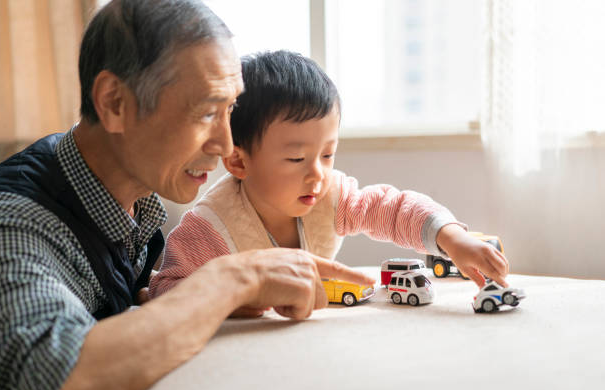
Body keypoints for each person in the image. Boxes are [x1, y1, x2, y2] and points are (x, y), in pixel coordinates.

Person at [0, 2, 375, 390]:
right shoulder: (14, 224)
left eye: (229, 110)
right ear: (114, 103)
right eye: (207, 112)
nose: (226, 145)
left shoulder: (131, 200)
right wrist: (233, 279)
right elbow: (66, 385)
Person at [149, 50, 510, 316]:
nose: (317, 174)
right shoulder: (208, 228)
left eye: (327, 155)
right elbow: (165, 293)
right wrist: (243, 299)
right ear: (239, 161)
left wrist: (451, 237)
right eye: (296, 159)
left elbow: (395, 209)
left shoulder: (332, 196)